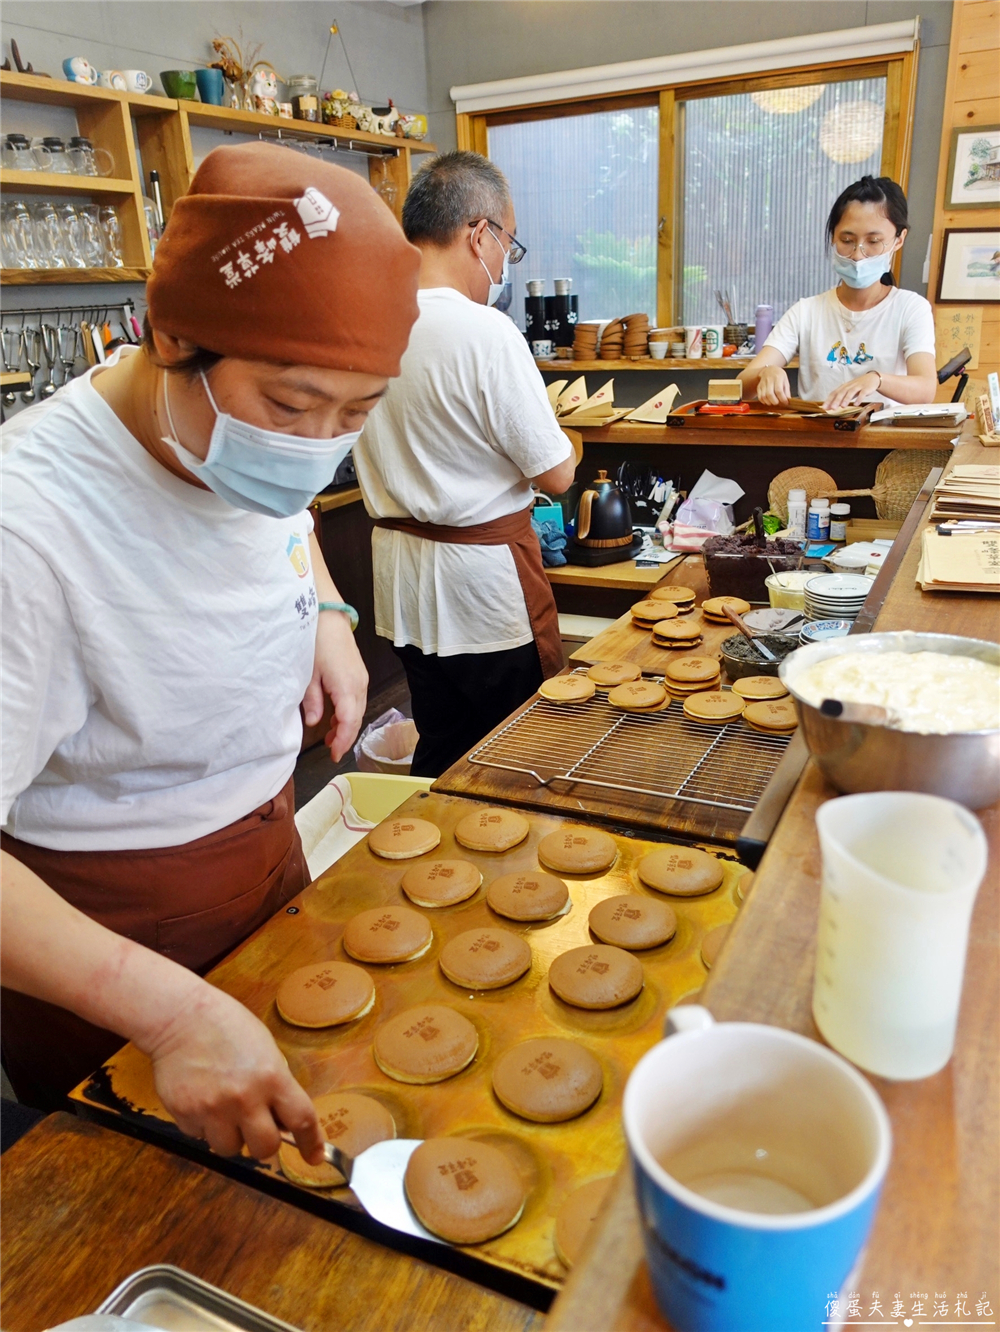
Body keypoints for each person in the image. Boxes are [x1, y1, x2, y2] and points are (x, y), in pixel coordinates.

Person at [0, 143, 420, 1163]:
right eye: (288, 406)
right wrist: (174, 1016)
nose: (315, 445)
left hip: (269, 856)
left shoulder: (225, 439)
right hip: (116, 934)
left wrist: (324, 612)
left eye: (355, 414)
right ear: (172, 336)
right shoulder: (30, 522)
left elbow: (280, 510)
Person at [353, 151, 577, 777]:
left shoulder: (366, 323)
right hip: (483, 589)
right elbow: (555, 474)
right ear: (480, 233)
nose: (505, 261)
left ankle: (436, 869)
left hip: (402, 584)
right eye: (509, 242)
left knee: (443, 743)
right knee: (521, 752)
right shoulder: (485, 332)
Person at [739, 176, 937, 411]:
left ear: (899, 239)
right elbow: (739, 386)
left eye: (873, 241)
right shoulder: (806, 311)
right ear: (833, 236)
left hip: (885, 444)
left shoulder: (911, 308)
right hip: (818, 441)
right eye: (847, 240)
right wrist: (765, 373)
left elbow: (926, 388)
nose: (857, 255)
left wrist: (877, 379)